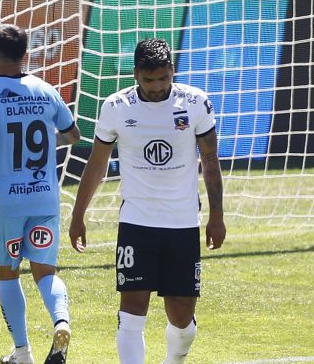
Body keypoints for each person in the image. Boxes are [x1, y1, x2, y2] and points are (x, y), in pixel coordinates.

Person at [68, 39, 224, 364]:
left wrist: (216, 216)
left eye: (163, 78)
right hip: (136, 223)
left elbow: (210, 160)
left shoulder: (196, 103)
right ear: (136, 74)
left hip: (182, 224)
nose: (156, 87)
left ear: (172, 72)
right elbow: (97, 164)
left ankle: (174, 358)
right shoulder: (116, 107)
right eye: (149, 80)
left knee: (181, 320)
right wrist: (78, 214)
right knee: (131, 313)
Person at [0, 23, 81, 364]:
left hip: (4, 201)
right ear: (25, 56)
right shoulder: (46, 90)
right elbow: (73, 134)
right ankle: (61, 321)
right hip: (43, 197)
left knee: (8, 272)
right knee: (46, 271)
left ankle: (22, 352)